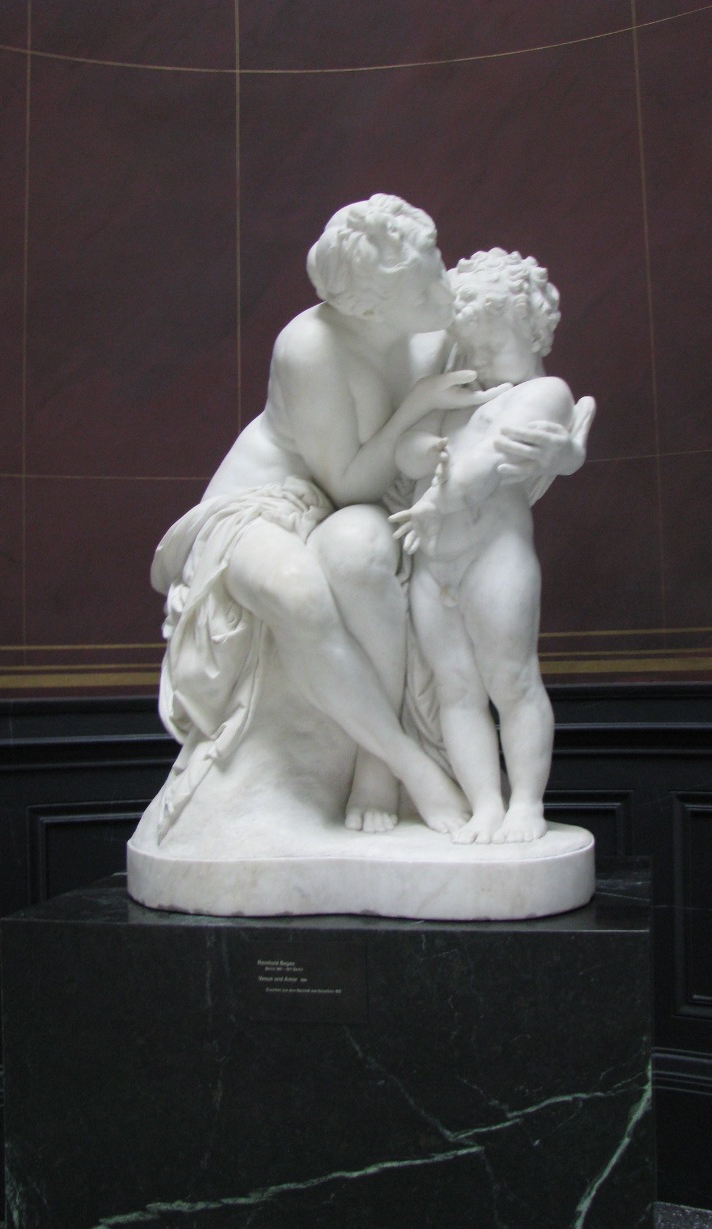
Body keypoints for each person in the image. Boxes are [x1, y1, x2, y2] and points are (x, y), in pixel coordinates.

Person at [152, 202, 590, 841]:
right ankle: (405, 764)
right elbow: (347, 482)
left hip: (366, 514)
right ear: (372, 308)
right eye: (425, 288)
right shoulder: (312, 348)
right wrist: (415, 409)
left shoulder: (438, 324)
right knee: (300, 592)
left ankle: (375, 767)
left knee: (360, 550)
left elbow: (518, 399)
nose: (444, 292)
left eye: (437, 268)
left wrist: (561, 452)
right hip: (265, 506)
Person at [390, 249, 595, 843]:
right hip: (433, 561)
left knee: (512, 681)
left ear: (529, 330)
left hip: (494, 554)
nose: (478, 360)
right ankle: (485, 803)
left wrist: (437, 492)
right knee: (455, 690)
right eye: (470, 347)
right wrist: (422, 448)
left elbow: (485, 467)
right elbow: (408, 454)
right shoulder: (461, 394)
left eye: (491, 344)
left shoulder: (545, 393)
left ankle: (526, 802)